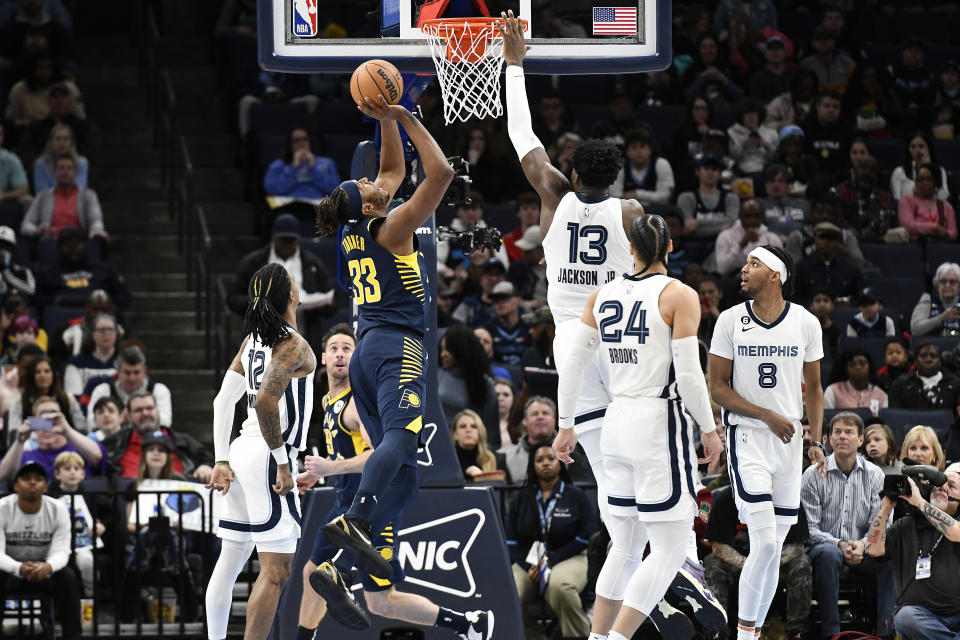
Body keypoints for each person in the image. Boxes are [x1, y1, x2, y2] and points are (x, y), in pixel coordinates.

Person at [313, 95, 493, 637]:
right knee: (400, 437)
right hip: (396, 344)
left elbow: (392, 168)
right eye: (366, 187)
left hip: (367, 346)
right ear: (365, 205)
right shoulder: (390, 228)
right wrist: (411, 118)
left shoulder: (354, 231)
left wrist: (386, 114)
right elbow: (434, 174)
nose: (374, 182)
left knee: (408, 477)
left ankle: (342, 564)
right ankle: (357, 520)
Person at [553, 214, 724, 640]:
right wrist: (708, 427)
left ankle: (597, 637)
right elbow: (689, 376)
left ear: (630, 248)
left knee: (626, 547)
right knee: (668, 550)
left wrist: (565, 424)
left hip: (615, 422)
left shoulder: (602, 295)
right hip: (657, 423)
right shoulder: (678, 295)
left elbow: (573, 363)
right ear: (670, 248)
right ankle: (616, 639)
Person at [502, 7, 639, 535]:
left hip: (573, 342)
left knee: (602, 468)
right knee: (638, 453)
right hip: (625, 338)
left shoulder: (553, 194)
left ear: (573, 170)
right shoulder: (630, 213)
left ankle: (626, 550)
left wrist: (515, 65)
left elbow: (522, 133)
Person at [709, 244, 827, 640]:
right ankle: (746, 633)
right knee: (762, 542)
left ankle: (753, 632)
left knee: (773, 549)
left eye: (754, 264)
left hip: (789, 441)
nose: (743, 269)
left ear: (776, 275)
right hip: (748, 436)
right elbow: (717, 388)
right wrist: (765, 415)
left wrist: (815, 438)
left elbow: (814, 387)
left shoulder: (806, 322)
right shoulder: (729, 320)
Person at [203, 263, 316, 640]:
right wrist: (283, 463)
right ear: (291, 295)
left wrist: (221, 459)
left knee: (230, 560)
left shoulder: (253, 340)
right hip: (269, 455)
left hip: (240, 452)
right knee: (277, 572)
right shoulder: (292, 343)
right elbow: (267, 403)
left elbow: (223, 401)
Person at [295, 324, 382, 636]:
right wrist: (314, 475)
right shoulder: (326, 402)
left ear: (356, 357)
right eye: (334, 348)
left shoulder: (356, 402)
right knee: (310, 573)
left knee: (373, 596)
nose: (340, 353)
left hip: (364, 504)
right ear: (323, 358)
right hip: (342, 499)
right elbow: (340, 459)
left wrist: (329, 468)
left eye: (347, 348)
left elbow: (378, 457)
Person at [800, 412, 894, 639]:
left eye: (849, 432)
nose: (842, 437)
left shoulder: (875, 475)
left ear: (860, 440)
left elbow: (882, 524)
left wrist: (862, 545)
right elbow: (809, 530)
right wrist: (840, 544)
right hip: (824, 549)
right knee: (829, 553)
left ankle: (885, 631)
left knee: (890, 557)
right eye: (837, 432)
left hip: (864, 550)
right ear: (828, 439)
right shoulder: (812, 476)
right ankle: (832, 634)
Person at [506, 441, 597, 640]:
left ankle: (579, 635)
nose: (546, 463)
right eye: (539, 460)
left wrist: (551, 559)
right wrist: (530, 564)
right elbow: (510, 540)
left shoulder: (576, 496)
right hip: (530, 560)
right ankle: (534, 636)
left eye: (551, 458)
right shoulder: (521, 498)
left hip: (570, 555)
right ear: (532, 465)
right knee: (511, 592)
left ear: (560, 463)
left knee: (560, 585)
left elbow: (586, 536)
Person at [862, 465, 960, 640]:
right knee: (905, 617)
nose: (942, 487)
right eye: (938, 484)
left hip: (957, 615)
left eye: (951, 486)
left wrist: (919, 502)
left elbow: (954, 532)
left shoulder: (956, 525)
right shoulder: (906, 524)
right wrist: (886, 506)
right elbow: (872, 549)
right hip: (920, 616)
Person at [704, 485, 812, 640]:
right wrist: (750, 564)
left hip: (774, 562)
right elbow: (718, 546)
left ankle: (796, 633)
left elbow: (797, 546)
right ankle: (717, 632)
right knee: (712, 563)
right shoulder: (727, 497)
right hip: (738, 562)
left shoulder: (787, 497)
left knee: (801, 563)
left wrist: (764, 563)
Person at [0, 461, 80, 640]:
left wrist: (48, 567)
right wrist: (18, 568)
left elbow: (62, 550)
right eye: (26, 479)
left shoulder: (57, 509)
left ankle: (72, 636)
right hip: (11, 573)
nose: (33, 482)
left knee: (68, 576)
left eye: (38, 479)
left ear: (45, 486)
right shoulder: (2, 508)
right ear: (15, 486)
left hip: (45, 572)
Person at [227, 213, 335, 342]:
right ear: (273, 235)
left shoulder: (312, 264)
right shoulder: (253, 263)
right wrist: (262, 301)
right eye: (284, 239)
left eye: (291, 240)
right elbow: (232, 299)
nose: (287, 244)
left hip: (302, 338)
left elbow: (332, 301)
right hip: (262, 341)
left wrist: (323, 304)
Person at [104, 390, 213, 481]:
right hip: (129, 501)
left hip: (177, 501)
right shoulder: (114, 442)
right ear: (129, 415)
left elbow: (209, 458)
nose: (145, 413)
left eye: (149, 408)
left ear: (157, 410)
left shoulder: (182, 441)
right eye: (139, 410)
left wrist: (206, 466)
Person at [0, 395, 105, 482]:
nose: (48, 418)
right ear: (35, 422)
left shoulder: (79, 448)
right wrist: (19, 441)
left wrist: (67, 430)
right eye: (42, 416)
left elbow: (97, 457)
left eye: (53, 413)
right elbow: (3, 476)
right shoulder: (27, 454)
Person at [49, 450, 106, 596]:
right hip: (57, 545)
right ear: (57, 473)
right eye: (67, 469)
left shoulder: (90, 494)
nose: (72, 473)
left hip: (83, 544)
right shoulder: (49, 495)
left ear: (83, 473)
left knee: (87, 560)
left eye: (76, 469)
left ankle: (90, 596)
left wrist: (101, 525)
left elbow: (108, 514)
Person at [35, 227, 130, 310]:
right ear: (59, 248)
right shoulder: (48, 273)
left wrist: (107, 304)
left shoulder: (103, 269)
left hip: (100, 320)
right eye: (68, 245)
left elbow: (124, 296)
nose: (73, 249)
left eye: (77, 244)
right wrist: (56, 301)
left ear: (84, 246)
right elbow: (37, 299)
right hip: (61, 319)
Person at [438, 325, 499, 446]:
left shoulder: (485, 384)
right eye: (441, 350)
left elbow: (492, 433)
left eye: (447, 350)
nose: (442, 354)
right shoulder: (437, 377)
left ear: (460, 350)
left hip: (473, 452)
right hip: (439, 449)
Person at [20, 155, 106, 240]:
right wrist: (36, 231)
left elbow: (96, 220)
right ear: (54, 172)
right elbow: (26, 224)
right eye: (61, 168)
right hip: (51, 240)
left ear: (75, 173)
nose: (65, 172)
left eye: (69, 168)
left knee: (98, 240)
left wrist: (96, 230)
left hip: (80, 242)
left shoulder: (89, 195)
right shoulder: (43, 196)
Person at [5, 353, 85, 444]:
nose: (42, 375)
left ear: (53, 375)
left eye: (47, 371)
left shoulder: (68, 399)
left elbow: (82, 429)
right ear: (31, 376)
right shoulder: (19, 402)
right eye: (37, 372)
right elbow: (13, 435)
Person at [87, 345, 171, 426]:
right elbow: (91, 423)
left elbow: (166, 422)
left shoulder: (158, 390)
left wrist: (134, 417)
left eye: (136, 372)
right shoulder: (103, 391)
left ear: (144, 371)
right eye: (127, 373)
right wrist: (119, 420)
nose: (132, 378)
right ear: (118, 371)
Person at [888, 343, 960, 436]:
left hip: (947, 437)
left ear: (940, 361)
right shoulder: (900, 384)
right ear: (915, 361)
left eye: (933, 356)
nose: (928, 359)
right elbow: (895, 419)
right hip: (909, 437)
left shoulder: (956, 384)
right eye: (923, 356)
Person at [793, 221, 864, 305]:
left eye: (831, 238)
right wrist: (813, 304)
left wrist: (849, 303)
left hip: (843, 315)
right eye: (822, 237)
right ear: (815, 239)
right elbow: (793, 300)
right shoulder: (801, 268)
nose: (826, 242)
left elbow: (861, 299)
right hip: (809, 316)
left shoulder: (851, 269)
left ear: (837, 241)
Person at [263, 127, 340, 201]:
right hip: (289, 206)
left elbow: (335, 191)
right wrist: (293, 168)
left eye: (304, 139)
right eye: (296, 140)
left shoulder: (326, 163)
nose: (301, 143)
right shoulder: (278, 165)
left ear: (310, 142)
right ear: (290, 145)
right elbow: (272, 190)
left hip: (318, 207)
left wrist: (313, 169)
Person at [832, 156, 898, 242]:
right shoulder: (842, 191)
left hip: (879, 242)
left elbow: (891, 221)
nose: (867, 172)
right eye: (863, 167)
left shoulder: (887, 197)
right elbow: (837, 217)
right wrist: (849, 229)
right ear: (854, 171)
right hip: (848, 241)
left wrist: (874, 229)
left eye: (872, 169)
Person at [676, 153, 739, 240]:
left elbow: (732, 223)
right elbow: (687, 229)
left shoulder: (731, 198)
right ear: (697, 171)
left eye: (714, 169)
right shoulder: (686, 198)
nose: (710, 172)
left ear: (720, 174)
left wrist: (697, 223)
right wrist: (720, 230)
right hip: (693, 247)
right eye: (706, 168)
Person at [610, 126, 675, 206]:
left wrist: (637, 194)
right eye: (634, 147)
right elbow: (615, 199)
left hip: (657, 212)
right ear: (627, 152)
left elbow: (666, 197)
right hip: (628, 212)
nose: (638, 150)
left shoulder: (661, 164)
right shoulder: (619, 167)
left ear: (650, 150)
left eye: (642, 146)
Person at [63, 312, 118, 399]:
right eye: (101, 330)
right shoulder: (76, 362)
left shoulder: (124, 362)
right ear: (93, 334)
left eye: (110, 329)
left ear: (116, 333)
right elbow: (72, 398)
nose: (106, 333)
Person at [897, 162, 957, 242]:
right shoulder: (906, 200)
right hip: (913, 246)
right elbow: (907, 225)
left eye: (928, 179)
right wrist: (935, 228)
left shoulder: (946, 207)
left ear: (935, 183)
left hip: (939, 246)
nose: (924, 183)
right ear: (916, 183)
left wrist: (945, 234)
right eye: (920, 179)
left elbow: (953, 233)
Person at [823, 347, 889, 413]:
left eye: (862, 363)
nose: (858, 367)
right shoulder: (833, 391)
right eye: (852, 365)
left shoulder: (881, 395)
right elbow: (826, 418)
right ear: (846, 369)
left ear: (870, 367)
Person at [483, 281, 531, 366]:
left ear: (518, 300)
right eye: (496, 299)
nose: (500, 302)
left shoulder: (531, 328)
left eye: (504, 298)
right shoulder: (487, 330)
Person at [727, 98, 778, 177]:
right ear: (741, 116)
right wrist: (742, 146)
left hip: (765, 171)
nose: (751, 117)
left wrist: (766, 146)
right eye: (747, 114)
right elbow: (731, 159)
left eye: (754, 113)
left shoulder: (771, 133)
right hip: (740, 172)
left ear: (759, 115)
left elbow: (777, 157)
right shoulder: (731, 132)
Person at [451, 409, 505, 482]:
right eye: (463, 426)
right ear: (455, 434)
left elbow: (505, 489)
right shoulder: (448, 461)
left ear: (480, 432)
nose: (468, 430)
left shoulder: (496, 459)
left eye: (474, 426)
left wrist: (482, 477)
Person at [32, 123, 88, 192]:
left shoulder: (81, 163)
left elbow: (80, 189)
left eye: (66, 139)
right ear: (51, 142)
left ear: (71, 143)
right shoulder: (41, 164)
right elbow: (41, 193)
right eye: (58, 139)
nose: (62, 143)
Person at [911, 262, 960, 337]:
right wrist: (941, 318)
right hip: (933, 345)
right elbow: (915, 330)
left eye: (952, 282)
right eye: (943, 281)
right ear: (937, 284)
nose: (947, 285)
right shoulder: (928, 299)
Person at [0, 226, 36, 301]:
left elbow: (31, 291)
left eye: (6, 248)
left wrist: (5, 270)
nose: (1, 252)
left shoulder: (23, 271)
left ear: (13, 251)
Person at [494, 376, 520, 453]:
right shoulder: (481, 423)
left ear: (513, 399)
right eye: (497, 394)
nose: (501, 398)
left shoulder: (522, 425)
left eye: (506, 395)